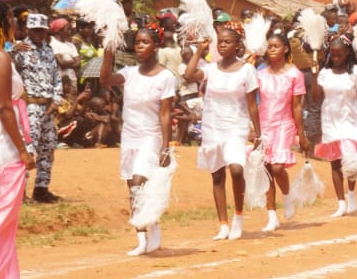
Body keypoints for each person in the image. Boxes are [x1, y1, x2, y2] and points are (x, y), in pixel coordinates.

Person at [99, 25, 174, 255]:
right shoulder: (129, 73)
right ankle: (143, 236)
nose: (139, 46)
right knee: (133, 186)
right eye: (137, 42)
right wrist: (109, 51)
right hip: (130, 136)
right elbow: (105, 80)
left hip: (151, 136)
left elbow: (166, 114)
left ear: (155, 46)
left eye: (145, 42)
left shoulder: (165, 76)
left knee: (140, 180)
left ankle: (152, 223)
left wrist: (166, 146)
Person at [185, 24, 260, 240]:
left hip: (236, 126)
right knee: (217, 175)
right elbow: (189, 75)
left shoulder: (247, 70)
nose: (222, 45)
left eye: (227, 42)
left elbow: (252, 104)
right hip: (212, 126)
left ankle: (238, 216)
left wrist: (258, 132)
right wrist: (199, 51)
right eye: (220, 42)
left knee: (236, 169)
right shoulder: (211, 69)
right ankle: (223, 224)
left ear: (237, 45)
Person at [0, 1, 32, 279]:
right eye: (9, 18)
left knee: (1, 217)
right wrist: (23, 150)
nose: (14, 22)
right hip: (2, 146)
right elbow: (5, 107)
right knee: (0, 217)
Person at [312, 33, 357, 217]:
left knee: (351, 160)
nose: (336, 57)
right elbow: (316, 97)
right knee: (335, 162)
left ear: (347, 53)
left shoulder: (356, 72)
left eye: (339, 54)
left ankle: (351, 194)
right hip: (330, 121)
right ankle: (341, 203)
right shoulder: (325, 73)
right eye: (333, 54)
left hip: (351, 121)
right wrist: (314, 74)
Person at [256, 30, 307, 229]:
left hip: (284, 124)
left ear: (285, 49)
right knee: (266, 170)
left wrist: (300, 132)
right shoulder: (260, 74)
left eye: (276, 46)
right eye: (269, 47)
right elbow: (253, 101)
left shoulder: (294, 74)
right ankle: (271, 215)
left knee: (277, 167)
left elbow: (297, 106)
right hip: (264, 124)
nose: (272, 50)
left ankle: (286, 196)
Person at [11, 13, 63, 202]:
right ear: (27, 30)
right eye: (35, 30)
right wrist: (13, 51)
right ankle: (20, 192)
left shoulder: (48, 50)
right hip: (30, 107)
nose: (39, 34)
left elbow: (56, 77)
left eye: (42, 30)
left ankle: (41, 189)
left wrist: (56, 99)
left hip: (48, 106)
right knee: (28, 148)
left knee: (47, 147)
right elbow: (6, 68)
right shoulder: (21, 49)